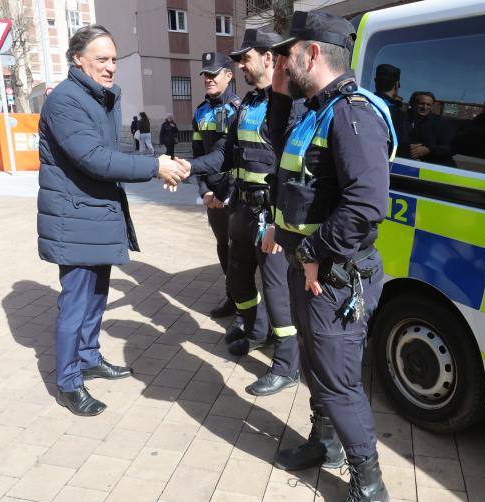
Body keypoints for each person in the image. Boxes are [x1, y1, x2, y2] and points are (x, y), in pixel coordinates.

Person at [268, 11, 395, 502]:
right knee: (318, 369)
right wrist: (278, 92)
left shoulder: (351, 113)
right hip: (310, 269)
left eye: (288, 52)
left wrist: (315, 249)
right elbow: (287, 164)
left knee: (340, 382)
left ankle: (371, 486)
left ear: (313, 53)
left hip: (335, 275)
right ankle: (324, 443)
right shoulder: (315, 111)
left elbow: (367, 205)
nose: (283, 60)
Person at [37, 24, 188, 416]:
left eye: (113, 60)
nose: (110, 67)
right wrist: (155, 166)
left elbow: (109, 152)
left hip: (98, 213)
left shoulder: (100, 97)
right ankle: (69, 382)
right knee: (75, 303)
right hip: (76, 218)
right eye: (101, 59)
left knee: (97, 297)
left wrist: (155, 166)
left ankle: (88, 357)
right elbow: (95, 159)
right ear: (78, 60)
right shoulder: (66, 101)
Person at [179, 27, 302, 396]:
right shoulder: (247, 104)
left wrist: (279, 222)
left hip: (271, 216)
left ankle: (286, 365)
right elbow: (224, 154)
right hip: (243, 210)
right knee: (238, 280)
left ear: (268, 58)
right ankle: (255, 331)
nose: (240, 66)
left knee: (278, 293)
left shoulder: (291, 105)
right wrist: (188, 168)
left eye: (245, 59)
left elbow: (293, 170)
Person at [191, 52, 241, 318]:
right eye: (205, 75)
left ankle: (246, 303)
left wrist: (229, 192)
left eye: (213, 74)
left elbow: (242, 155)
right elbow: (198, 155)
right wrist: (205, 191)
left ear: (228, 75)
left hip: (234, 193)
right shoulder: (200, 112)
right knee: (223, 245)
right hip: (213, 195)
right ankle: (232, 296)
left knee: (239, 250)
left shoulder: (238, 109)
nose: (208, 79)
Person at [406, 91, 455, 166]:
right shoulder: (403, 119)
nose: (424, 107)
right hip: (408, 165)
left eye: (428, 105)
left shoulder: (442, 123)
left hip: (438, 167)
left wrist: (429, 150)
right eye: (421, 103)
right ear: (412, 104)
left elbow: (451, 147)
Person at [374, 64, 407, 145]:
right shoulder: (398, 114)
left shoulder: (361, 103)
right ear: (396, 85)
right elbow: (399, 143)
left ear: (375, 82)